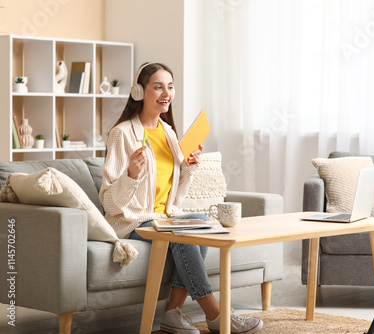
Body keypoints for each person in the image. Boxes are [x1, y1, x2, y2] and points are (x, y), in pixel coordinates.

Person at [99, 62, 263, 334]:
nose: (166, 93)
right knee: (182, 233)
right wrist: (130, 176)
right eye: (158, 86)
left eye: (171, 87)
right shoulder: (122, 134)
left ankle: (173, 315)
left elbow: (176, 196)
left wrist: (189, 167)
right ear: (139, 92)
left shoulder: (169, 133)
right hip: (132, 224)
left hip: (164, 219)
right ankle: (216, 314)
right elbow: (109, 203)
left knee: (200, 222)